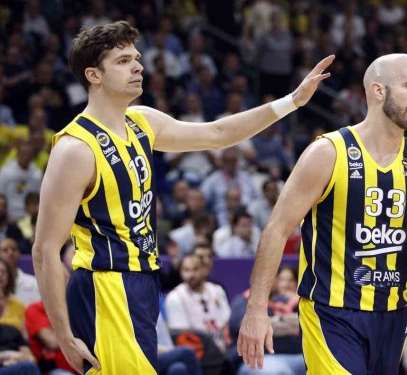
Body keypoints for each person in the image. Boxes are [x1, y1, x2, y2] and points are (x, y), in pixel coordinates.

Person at [31, 20, 334, 375]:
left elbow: (217, 134)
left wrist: (291, 102)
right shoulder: (74, 149)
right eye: (123, 61)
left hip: (143, 282)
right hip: (105, 284)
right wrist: (64, 336)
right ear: (93, 75)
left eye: (136, 58)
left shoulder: (141, 122)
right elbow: (45, 250)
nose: (138, 66)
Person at [237, 53, 407, 374]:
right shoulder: (327, 152)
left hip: (393, 316)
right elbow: (276, 230)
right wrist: (256, 309)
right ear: (378, 91)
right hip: (331, 313)